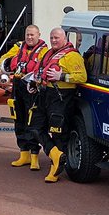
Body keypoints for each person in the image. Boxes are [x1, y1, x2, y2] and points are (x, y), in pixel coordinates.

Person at [32, 27, 87, 183]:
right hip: (45, 94)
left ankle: (55, 170)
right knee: (35, 127)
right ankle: (55, 154)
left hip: (62, 97)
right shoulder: (50, 54)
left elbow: (82, 77)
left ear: (64, 39)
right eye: (52, 38)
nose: (54, 40)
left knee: (58, 134)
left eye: (56, 38)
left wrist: (61, 75)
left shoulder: (73, 56)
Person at [0, 25, 49, 169]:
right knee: (19, 120)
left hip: (32, 87)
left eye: (32, 35)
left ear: (38, 35)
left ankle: (34, 156)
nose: (29, 37)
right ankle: (23, 153)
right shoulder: (18, 47)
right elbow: (5, 59)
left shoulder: (44, 51)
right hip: (18, 85)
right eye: (27, 35)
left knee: (32, 121)